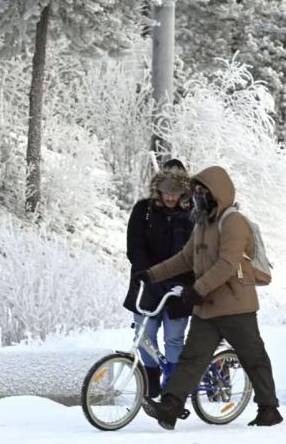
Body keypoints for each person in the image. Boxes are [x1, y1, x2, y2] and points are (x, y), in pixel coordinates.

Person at [142, 166, 282, 428]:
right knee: (191, 358)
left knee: (253, 357)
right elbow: (185, 258)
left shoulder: (233, 222)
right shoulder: (202, 223)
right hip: (207, 308)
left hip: (235, 307)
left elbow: (227, 264)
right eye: (195, 192)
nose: (196, 196)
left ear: (216, 193)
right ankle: (170, 407)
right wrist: (151, 274)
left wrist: (197, 289)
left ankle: (269, 408)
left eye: (201, 192)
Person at [124, 160, 195, 398]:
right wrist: (149, 274)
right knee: (143, 336)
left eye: (176, 193)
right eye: (167, 192)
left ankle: (172, 388)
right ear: (158, 189)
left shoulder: (193, 214)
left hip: (180, 285)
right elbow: (134, 246)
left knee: (174, 338)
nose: (171, 198)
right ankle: (151, 379)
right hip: (147, 284)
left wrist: (186, 282)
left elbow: (197, 252)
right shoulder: (143, 210)